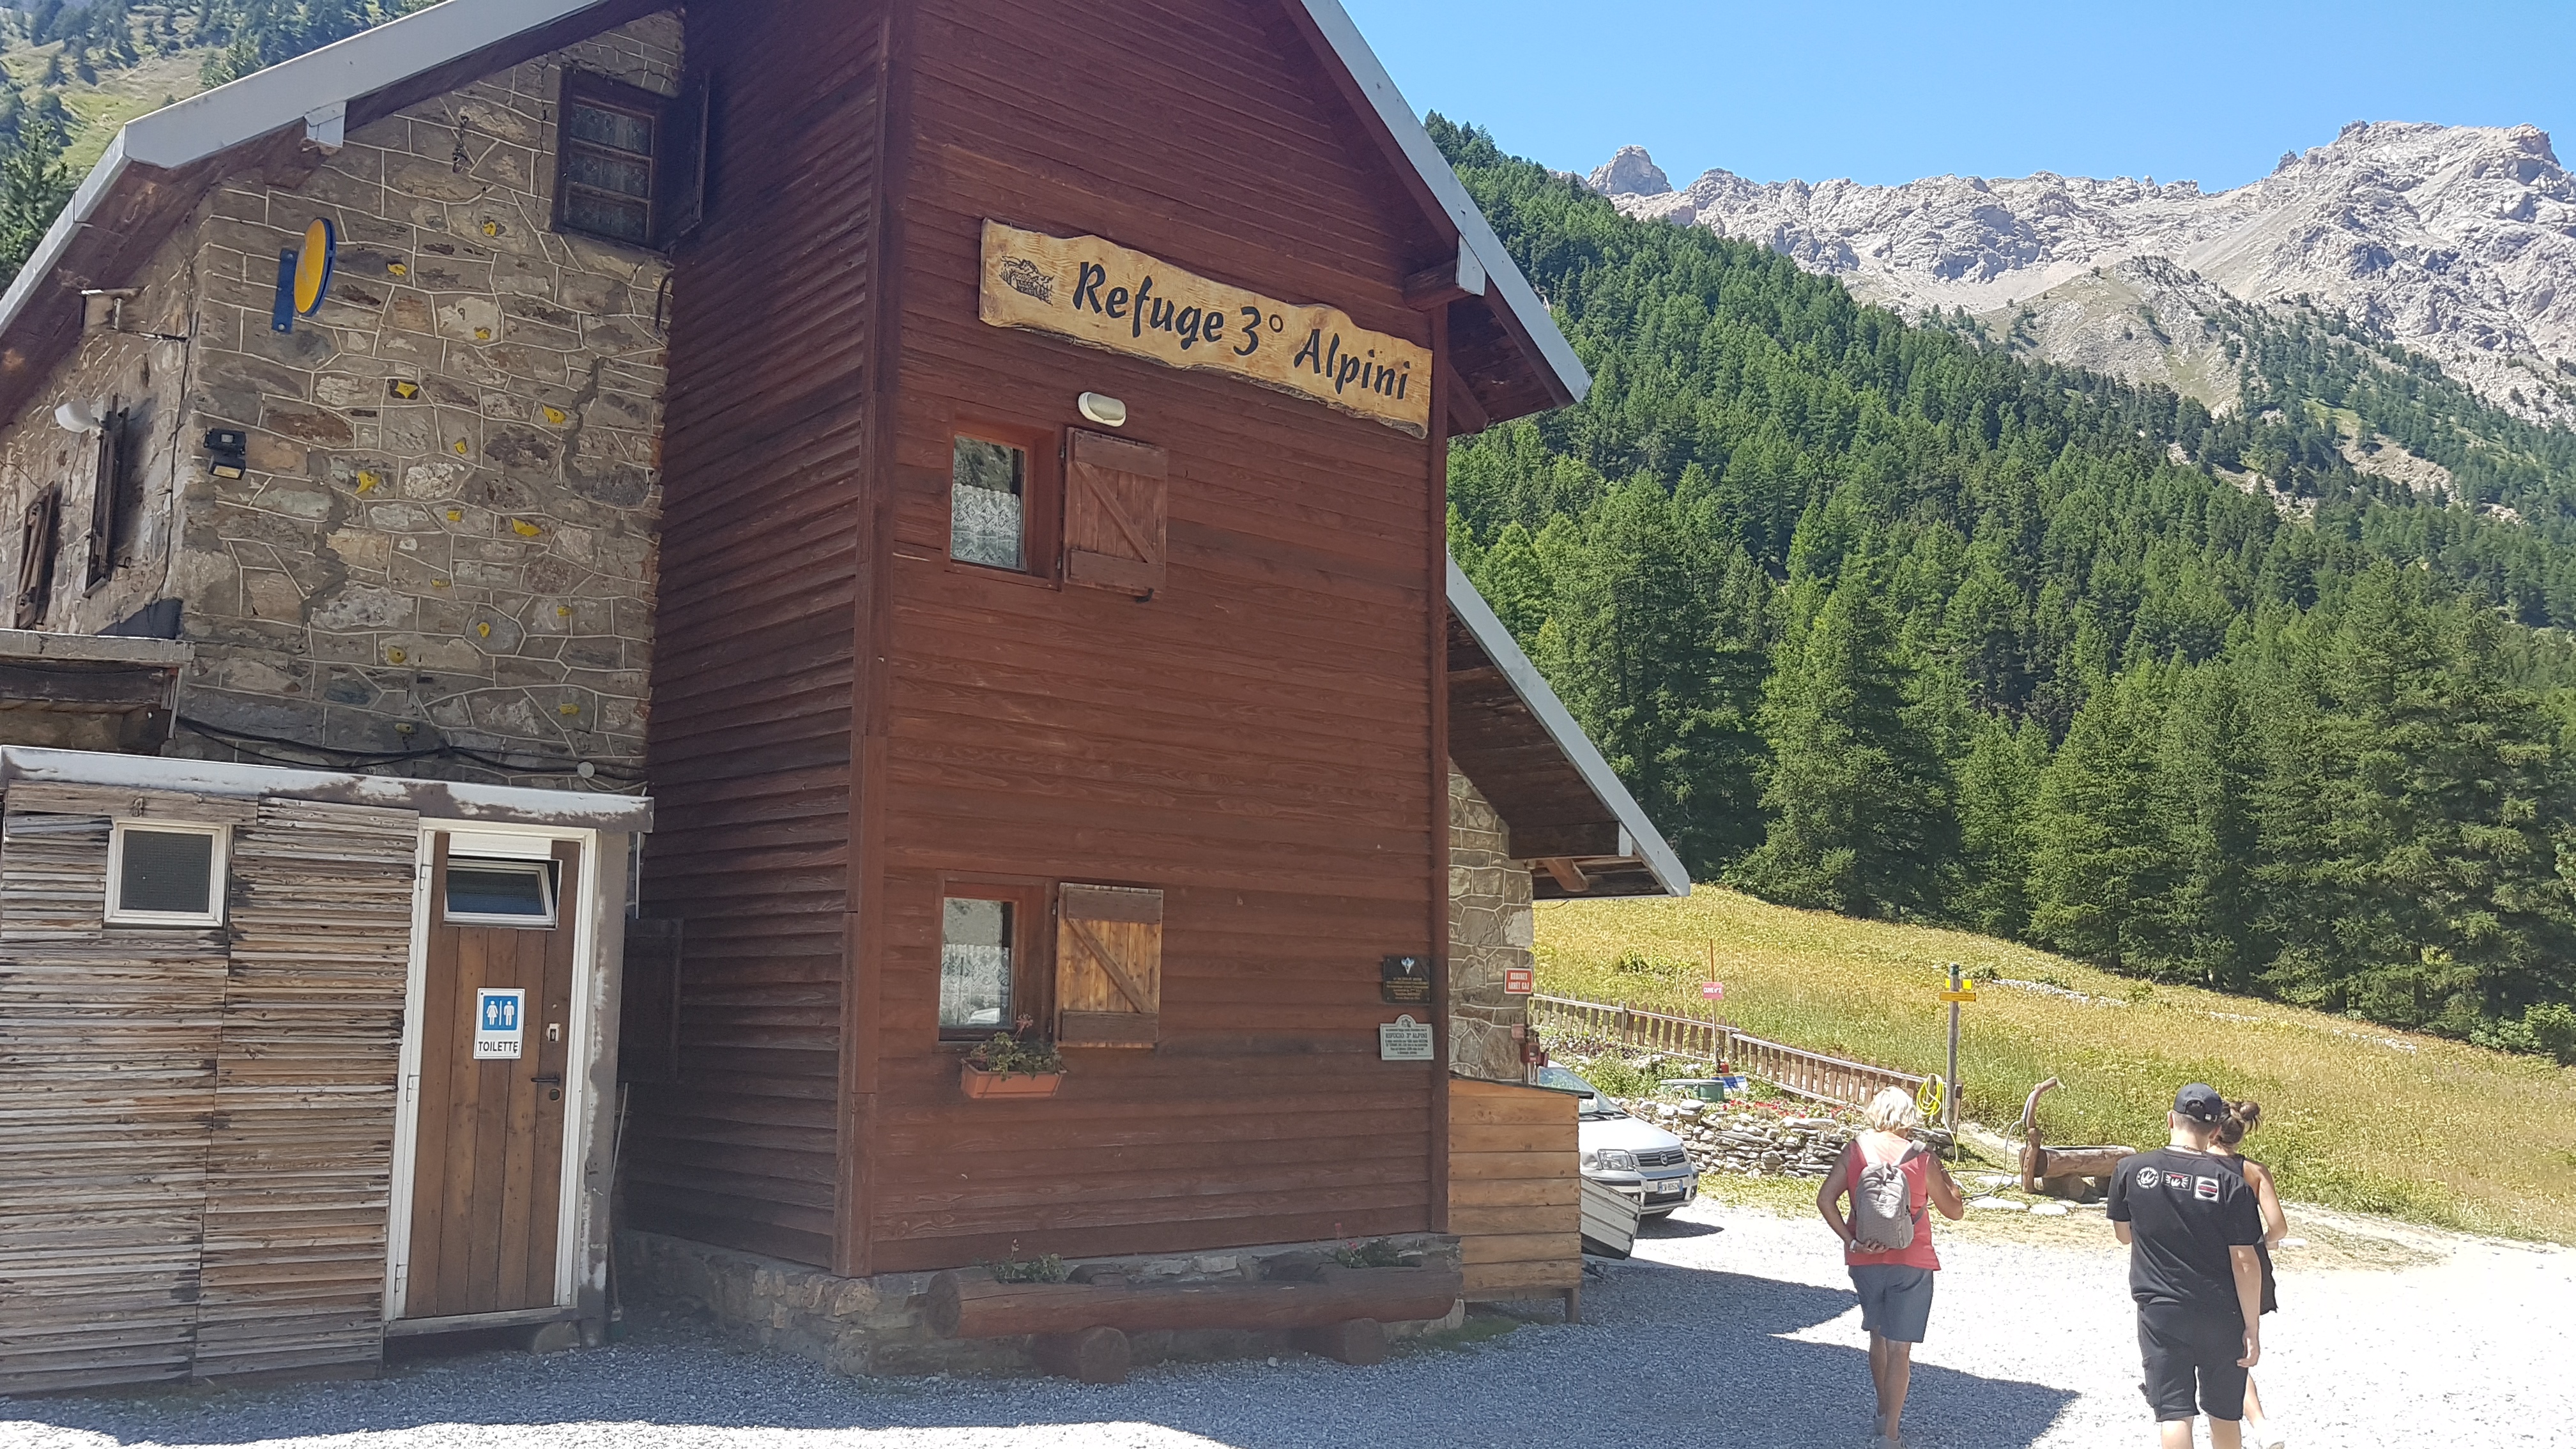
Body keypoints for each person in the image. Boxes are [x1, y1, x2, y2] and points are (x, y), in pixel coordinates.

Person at [2108, 1084, 2268, 1449]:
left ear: (2170, 1120)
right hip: (2221, 1313)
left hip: (2161, 1310)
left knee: (2175, 1413)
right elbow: (2245, 1261)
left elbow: (2123, 1235)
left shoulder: (2131, 1169)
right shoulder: (2231, 1182)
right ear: (2215, 1131)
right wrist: (2252, 1327)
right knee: (2224, 1413)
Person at [1818, 1086, 1965, 1447]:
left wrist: (1851, 1241)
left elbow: (1825, 1200)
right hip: (1911, 1261)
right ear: (1909, 1117)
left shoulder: (1855, 1150)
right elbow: (1954, 1211)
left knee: (1878, 1338)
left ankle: (1883, 1410)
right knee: (1900, 1349)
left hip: (1865, 1260)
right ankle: (1891, 1435)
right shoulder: (1922, 1157)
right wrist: (1954, 1187)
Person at [2212, 1100, 2288, 1448]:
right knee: (2236, 1349)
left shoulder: (2196, 1165)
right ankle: (2261, 1426)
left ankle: (2255, 1421)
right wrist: (2265, 1242)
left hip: (2207, 1261)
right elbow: (2279, 1226)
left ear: (2212, 1130)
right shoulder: (2255, 1171)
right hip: (2249, 1262)